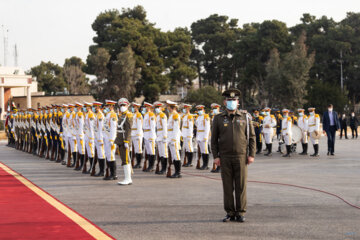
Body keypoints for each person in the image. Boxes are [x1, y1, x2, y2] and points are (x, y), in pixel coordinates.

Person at [211, 88, 255, 223]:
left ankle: (240, 212)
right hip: (224, 157)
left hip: (241, 156)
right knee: (228, 186)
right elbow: (213, 140)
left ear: (238, 102)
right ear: (225, 102)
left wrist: (251, 154)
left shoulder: (245, 117)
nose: (232, 102)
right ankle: (230, 212)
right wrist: (216, 156)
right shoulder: (218, 118)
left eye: (234, 100)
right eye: (229, 100)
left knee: (241, 185)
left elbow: (252, 137)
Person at [116, 98, 133, 185]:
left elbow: (128, 130)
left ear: (127, 106)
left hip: (124, 140)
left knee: (126, 160)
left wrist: (127, 141)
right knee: (123, 159)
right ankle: (127, 177)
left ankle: (128, 178)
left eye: (124, 105)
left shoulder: (128, 115)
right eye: (121, 105)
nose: (122, 107)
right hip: (120, 140)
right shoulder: (122, 115)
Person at [103, 100, 118, 180]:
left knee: (111, 156)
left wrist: (112, 140)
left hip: (110, 139)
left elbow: (113, 128)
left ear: (112, 106)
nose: (106, 107)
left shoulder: (113, 115)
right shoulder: (108, 115)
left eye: (108, 106)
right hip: (106, 138)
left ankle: (114, 174)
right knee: (108, 155)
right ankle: (111, 173)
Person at [166, 100, 182, 178]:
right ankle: (176, 171)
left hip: (174, 137)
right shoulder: (171, 115)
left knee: (176, 155)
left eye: (168, 106)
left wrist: (174, 139)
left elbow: (176, 128)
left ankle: (178, 172)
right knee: (173, 155)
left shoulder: (175, 115)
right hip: (170, 136)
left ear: (170, 107)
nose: (167, 107)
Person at [154, 101, 168, 174]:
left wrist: (165, 136)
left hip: (162, 135)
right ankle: (162, 168)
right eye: (156, 107)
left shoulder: (163, 115)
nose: (157, 109)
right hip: (159, 135)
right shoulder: (158, 116)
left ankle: (164, 169)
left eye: (158, 107)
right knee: (161, 153)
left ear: (161, 108)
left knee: (164, 153)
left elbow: (164, 126)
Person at [195, 105, 211, 170]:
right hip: (199, 135)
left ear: (203, 110)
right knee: (202, 151)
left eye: (200, 110)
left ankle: (206, 165)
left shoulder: (205, 116)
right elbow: (197, 125)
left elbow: (207, 127)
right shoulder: (199, 117)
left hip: (203, 135)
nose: (199, 111)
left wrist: (205, 136)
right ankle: (203, 164)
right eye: (198, 110)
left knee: (205, 150)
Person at [142, 102, 157, 172]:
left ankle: (151, 166)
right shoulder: (146, 115)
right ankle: (149, 166)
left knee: (152, 151)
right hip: (146, 134)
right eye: (145, 107)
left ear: (150, 108)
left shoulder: (151, 115)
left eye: (147, 107)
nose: (145, 108)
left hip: (150, 134)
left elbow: (152, 126)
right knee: (148, 151)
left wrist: (151, 135)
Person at [93, 101, 106, 177]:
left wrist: (101, 139)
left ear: (98, 107)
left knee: (101, 154)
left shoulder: (100, 116)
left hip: (100, 138)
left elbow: (101, 128)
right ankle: (101, 170)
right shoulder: (97, 115)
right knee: (99, 154)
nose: (94, 108)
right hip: (97, 137)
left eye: (95, 107)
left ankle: (102, 171)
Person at [130, 102, 144, 168]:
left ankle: (139, 163)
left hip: (137, 133)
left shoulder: (138, 115)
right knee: (135, 149)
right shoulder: (133, 115)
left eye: (134, 107)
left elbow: (139, 125)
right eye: (132, 107)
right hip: (133, 133)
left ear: (137, 108)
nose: (133, 108)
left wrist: (138, 134)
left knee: (138, 149)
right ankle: (137, 163)